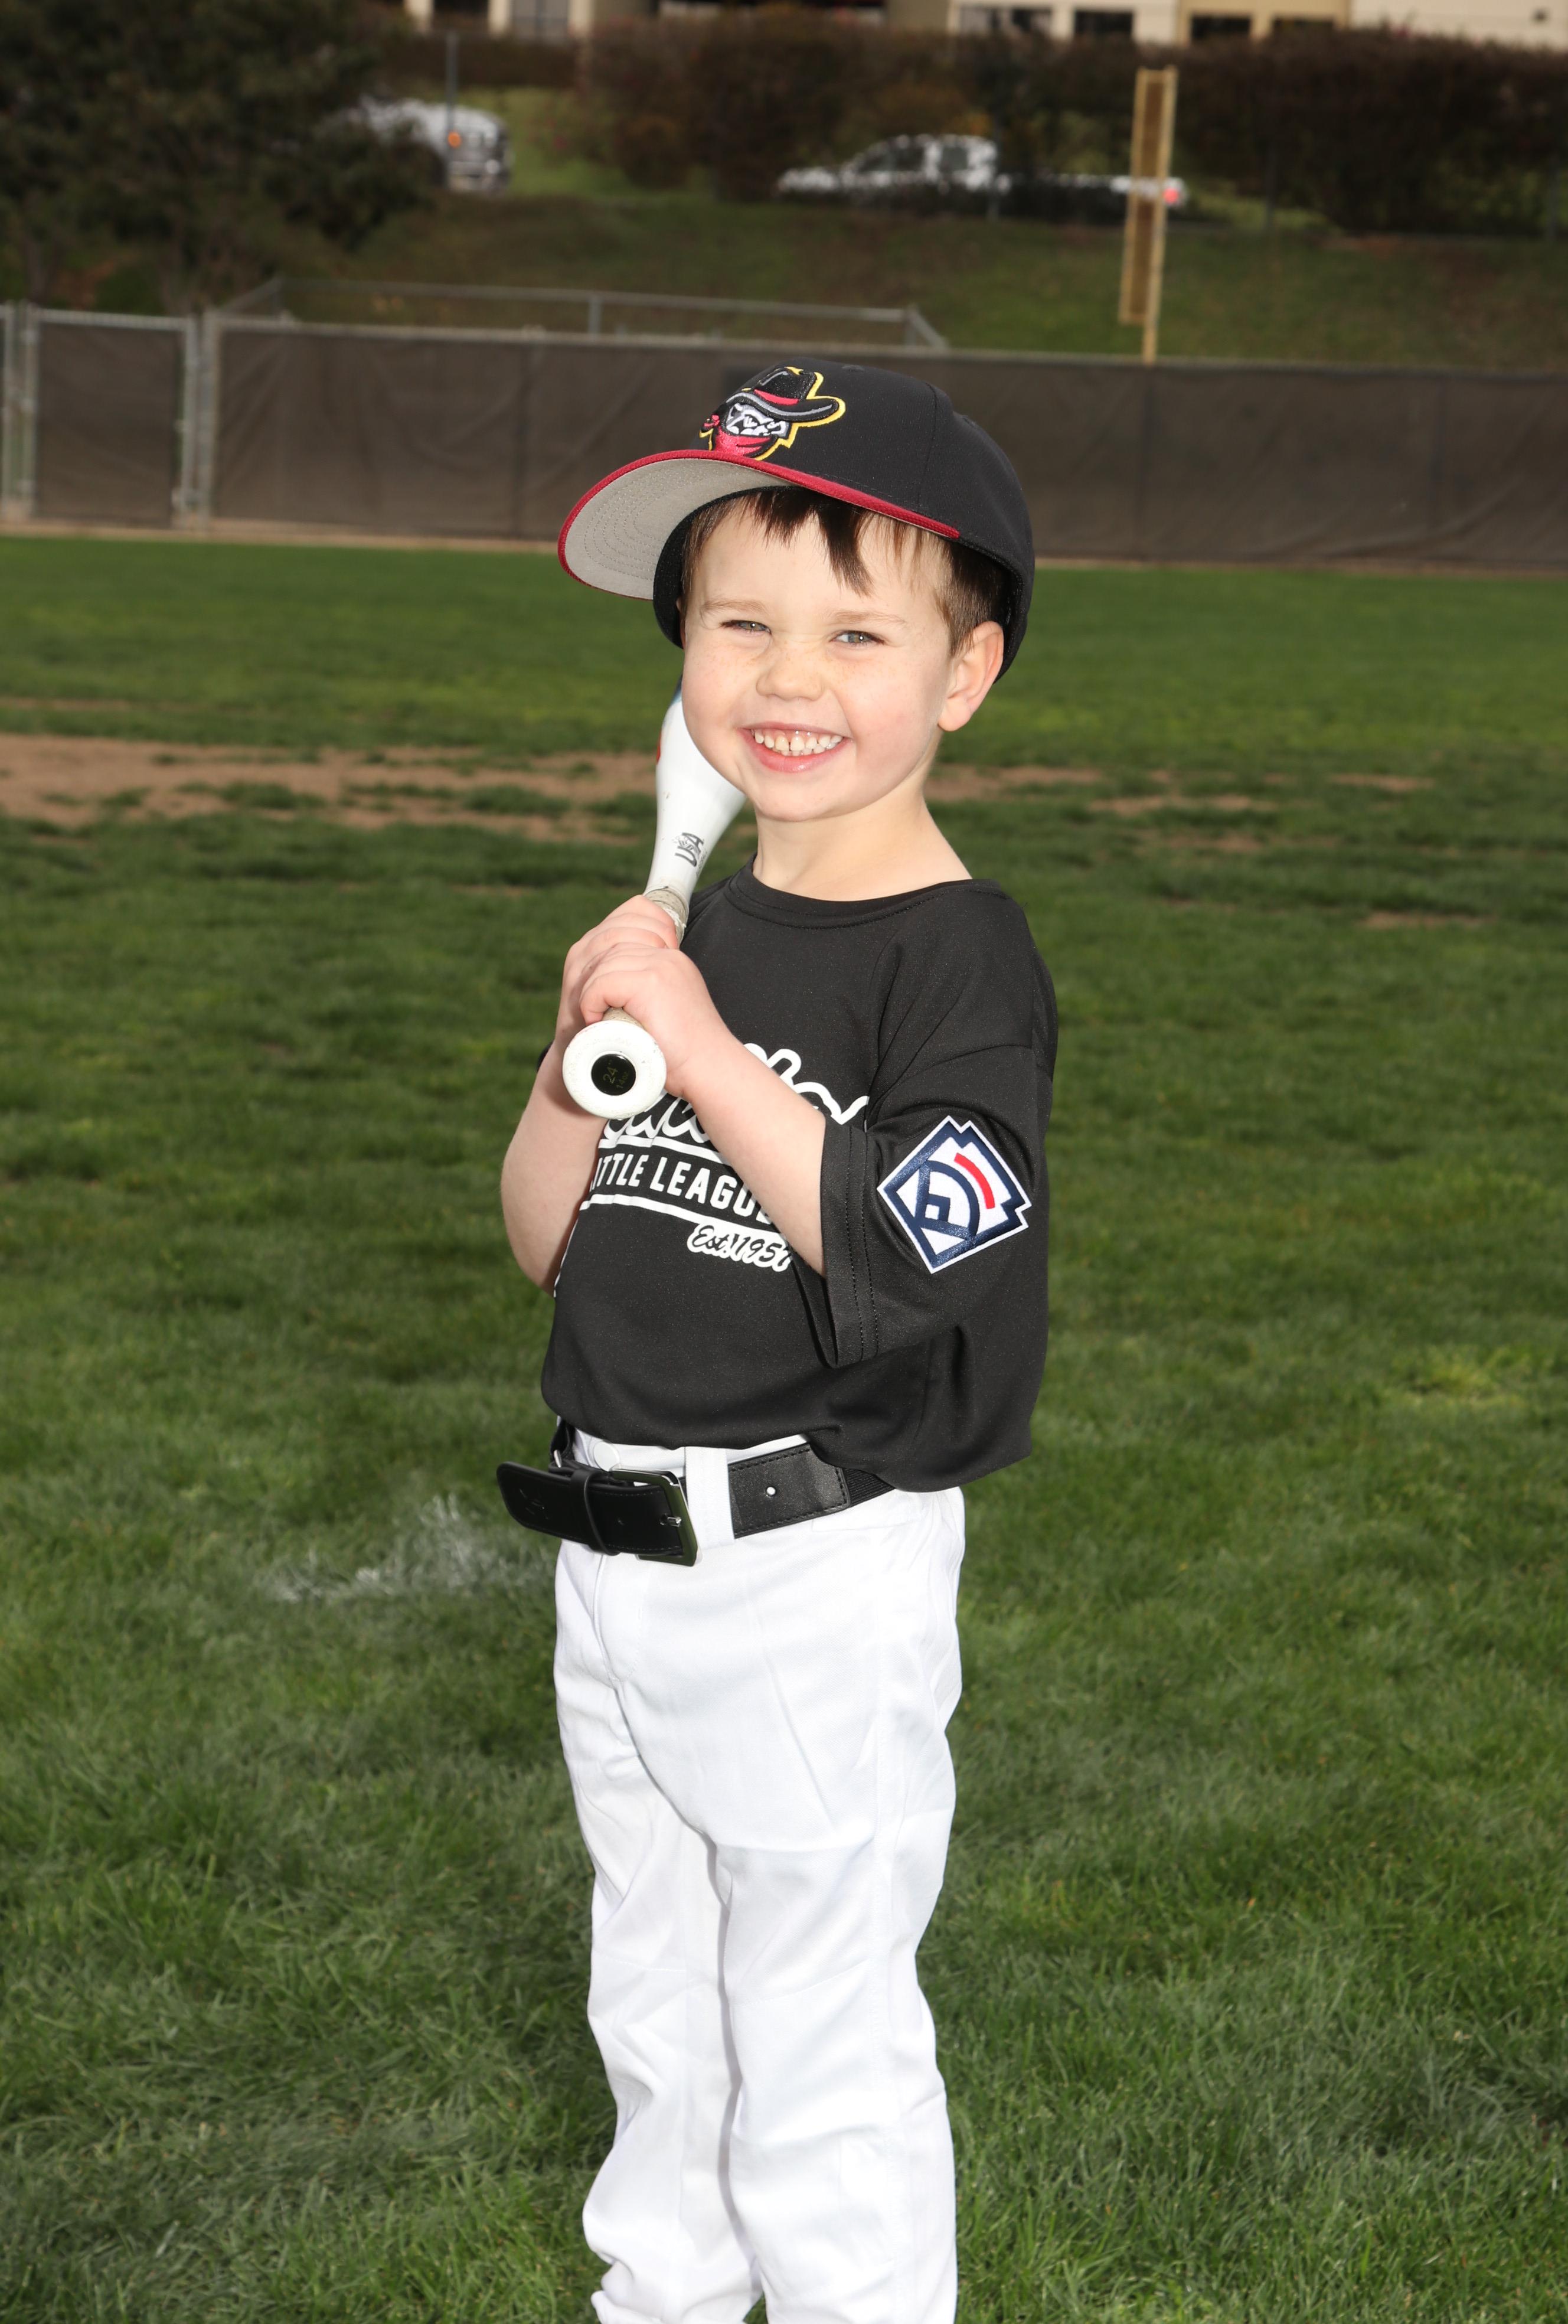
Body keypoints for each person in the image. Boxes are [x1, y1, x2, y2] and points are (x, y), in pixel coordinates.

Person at [499, 359, 1057, 2324]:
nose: (787, 675)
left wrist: (707, 1049)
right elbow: (548, 1239)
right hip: (616, 1555)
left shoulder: (961, 958)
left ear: (965, 675)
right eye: (739, 623)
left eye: (854, 631)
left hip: (812, 1573)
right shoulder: (705, 927)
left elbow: (916, 1249)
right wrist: (579, 1049)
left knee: (815, 2037)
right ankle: (660, 2295)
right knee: (658, 2005)